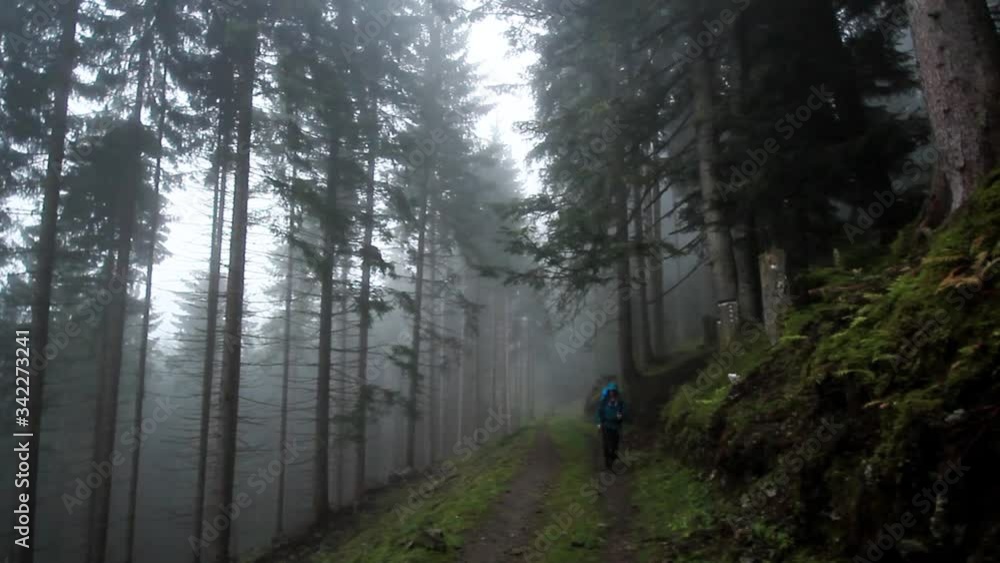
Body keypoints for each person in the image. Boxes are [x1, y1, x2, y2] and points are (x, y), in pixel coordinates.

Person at [595, 382, 625, 470]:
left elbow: (623, 411)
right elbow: (599, 413)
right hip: (606, 426)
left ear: (616, 392)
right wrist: (599, 423)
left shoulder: (619, 402)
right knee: (607, 444)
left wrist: (621, 415)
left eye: (613, 391)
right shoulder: (604, 402)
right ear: (608, 392)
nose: (612, 393)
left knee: (615, 444)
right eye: (611, 391)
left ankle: (613, 459)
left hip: (615, 426)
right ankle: (607, 462)